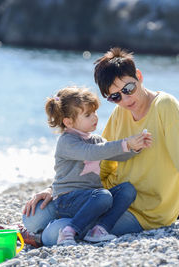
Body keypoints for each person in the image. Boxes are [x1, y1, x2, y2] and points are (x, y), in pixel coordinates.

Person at [22, 47, 179, 247]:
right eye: (115, 96)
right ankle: (43, 228)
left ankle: (43, 236)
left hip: (145, 210)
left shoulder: (166, 107)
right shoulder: (120, 112)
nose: (125, 99)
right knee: (34, 216)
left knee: (54, 233)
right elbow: (100, 160)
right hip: (109, 197)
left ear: (139, 77)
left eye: (129, 88)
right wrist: (56, 190)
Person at [44, 86, 151, 245]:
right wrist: (125, 143)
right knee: (103, 196)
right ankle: (69, 231)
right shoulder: (67, 141)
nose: (95, 117)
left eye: (95, 112)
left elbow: (114, 153)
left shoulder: (95, 139)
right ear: (68, 122)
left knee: (127, 190)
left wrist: (135, 147)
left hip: (92, 197)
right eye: (88, 115)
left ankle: (99, 230)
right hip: (67, 200)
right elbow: (91, 152)